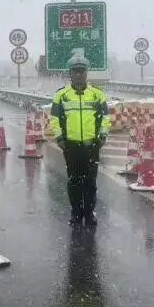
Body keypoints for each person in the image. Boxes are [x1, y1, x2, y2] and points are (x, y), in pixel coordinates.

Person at [49, 54, 111, 226]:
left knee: (90, 183)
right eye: (75, 71)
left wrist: (102, 136)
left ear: (86, 73)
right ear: (70, 73)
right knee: (74, 182)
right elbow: (55, 119)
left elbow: (105, 118)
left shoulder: (97, 95)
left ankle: (89, 213)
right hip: (71, 146)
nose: (78, 75)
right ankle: (76, 213)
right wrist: (60, 139)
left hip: (92, 146)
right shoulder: (61, 95)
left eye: (82, 71)